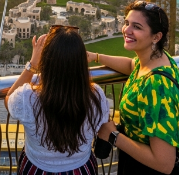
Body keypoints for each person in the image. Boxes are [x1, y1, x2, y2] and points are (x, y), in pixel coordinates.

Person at [92, 0, 179, 174]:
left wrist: (113, 136)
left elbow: (164, 163)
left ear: (156, 36)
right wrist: (95, 56)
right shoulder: (158, 60)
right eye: (126, 23)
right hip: (135, 161)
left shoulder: (157, 87)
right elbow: (131, 65)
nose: (127, 30)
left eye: (137, 27)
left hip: (145, 169)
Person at [6, 26, 109, 175]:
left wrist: (33, 64)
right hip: (81, 169)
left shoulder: (28, 97)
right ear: (81, 62)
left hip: (37, 169)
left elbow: (9, 99)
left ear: (47, 61)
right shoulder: (96, 96)